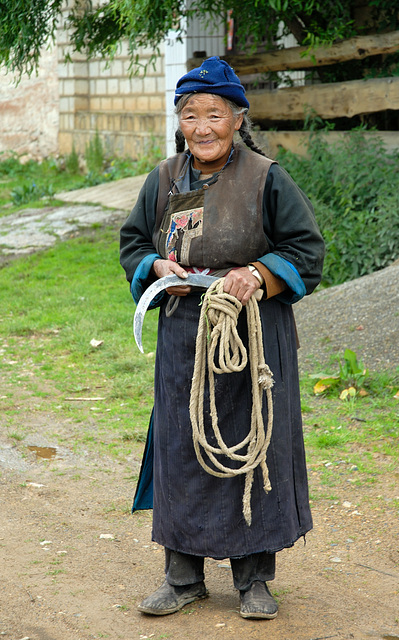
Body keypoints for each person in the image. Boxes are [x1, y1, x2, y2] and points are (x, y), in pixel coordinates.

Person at [120, 56, 325, 620]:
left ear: (237, 118)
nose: (202, 126)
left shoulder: (266, 176)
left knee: (253, 451)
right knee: (184, 449)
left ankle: (254, 579)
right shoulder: (164, 179)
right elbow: (134, 243)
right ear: (179, 121)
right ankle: (181, 576)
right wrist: (157, 268)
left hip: (254, 337)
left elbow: (306, 253)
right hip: (184, 340)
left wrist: (257, 275)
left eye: (214, 114)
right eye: (190, 115)